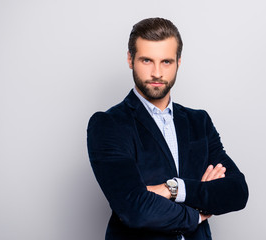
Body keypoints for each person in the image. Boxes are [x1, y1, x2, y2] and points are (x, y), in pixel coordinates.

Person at [87, 17, 248, 240]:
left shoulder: (198, 122)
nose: (157, 73)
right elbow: (134, 208)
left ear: (178, 62)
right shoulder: (109, 125)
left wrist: (173, 188)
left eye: (166, 62)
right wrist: (196, 213)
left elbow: (237, 192)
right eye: (146, 61)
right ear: (130, 59)